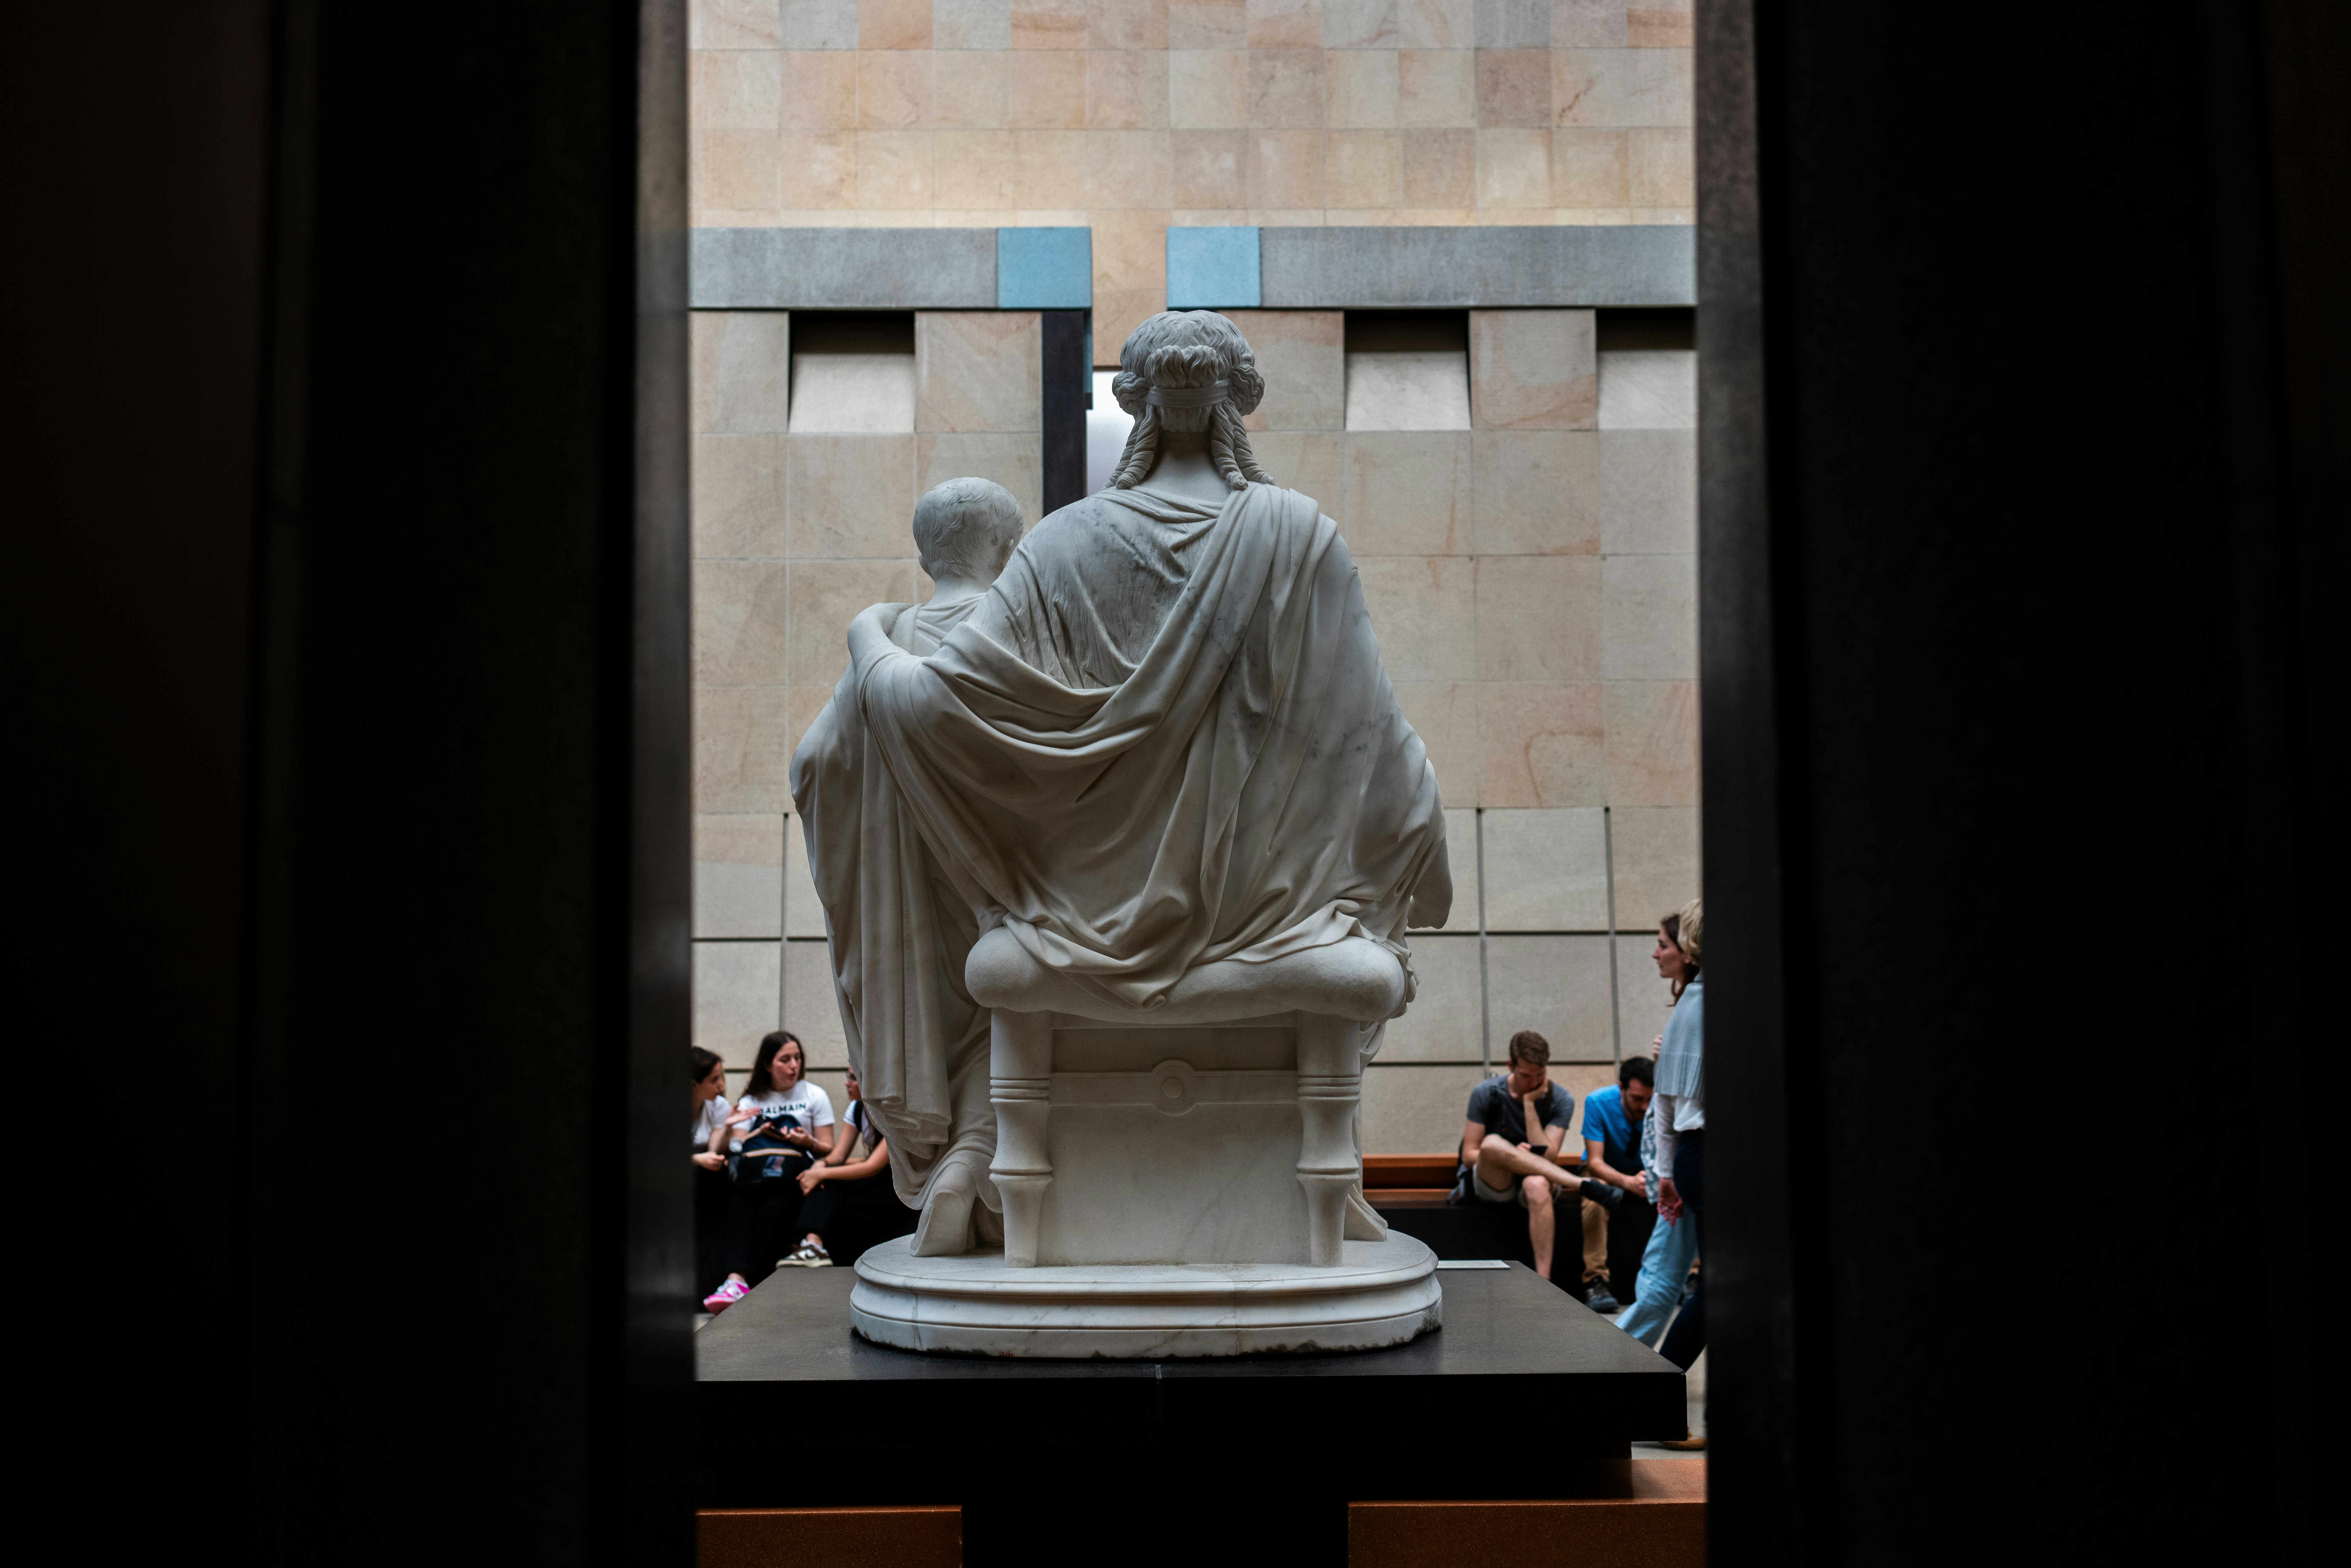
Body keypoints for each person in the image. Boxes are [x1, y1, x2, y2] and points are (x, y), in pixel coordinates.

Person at [791, 310, 1452, 1257]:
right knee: (1359, 910)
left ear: (1136, 403)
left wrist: (868, 632)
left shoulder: (1063, 544)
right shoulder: (1300, 537)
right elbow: (1378, 748)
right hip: (1268, 912)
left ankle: (1002, 1178)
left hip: (1083, 914)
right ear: (1235, 402)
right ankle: (1314, 1180)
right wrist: (1405, 847)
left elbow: (939, 710)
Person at [1462, 1030, 1617, 1283]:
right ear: (1511, 1065)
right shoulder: (1486, 1093)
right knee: (1491, 1144)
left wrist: (1530, 1104)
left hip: (1538, 1180)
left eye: (1540, 1075)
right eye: (1526, 1076)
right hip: (1496, 1181)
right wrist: (1510, 1155)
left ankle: (1543, 1282)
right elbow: (1470, 1155)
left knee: (1537, 1184)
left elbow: (1549, 1155)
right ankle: (1581, 1184)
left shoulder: (1561, 1099)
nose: (1534, 1083)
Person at [702, 1031, 836, 1313]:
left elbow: (829, 1149)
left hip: (794, 1180)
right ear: (767, 1064)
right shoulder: (753, 1100)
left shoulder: (814, 1095)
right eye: (784, 1060)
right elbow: (737, 1148)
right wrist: (748, 1129)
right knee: (738, 1202)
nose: (793, 1066)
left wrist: (806, 1142)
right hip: (756, 1179)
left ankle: (750, 1287)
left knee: (773, 1209)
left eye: (797, 1058)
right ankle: (735, 1282)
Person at [1652, 901, 1708, 1385]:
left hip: (1693, 1157)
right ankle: (1657, 1392)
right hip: (1711, 1154)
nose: (1655, 953)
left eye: (1662, 943)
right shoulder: (1708, 1000)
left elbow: (1666, 1107)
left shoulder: (1688, 1003)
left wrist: (1668, 1172)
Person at [777, 1068, 894, 1268]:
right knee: (826, 1181)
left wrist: (822, 1173)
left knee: (829, 1181)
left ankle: (812, 1244)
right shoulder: (857, 1109)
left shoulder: (893, 1114)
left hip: (896, 1186)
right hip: (875, 1178)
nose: (847, 1083)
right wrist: (821, 1165)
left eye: (853, 1078)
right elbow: (838, 1156)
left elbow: (872, 1167)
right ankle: (813, 1244)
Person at [1577, 1055, 1656, 1314]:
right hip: (1608, 1173)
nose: (1645, 1107)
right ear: (1621, 1089)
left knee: (1686, 1191)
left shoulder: (1660, 1104)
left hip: (1648, 1172)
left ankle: (1692, 1277)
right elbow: (1596, 1162)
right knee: (1595, 1196)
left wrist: (1655, 1176)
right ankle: (1596, 1282)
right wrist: (1628, 1182)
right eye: (1637, 1099)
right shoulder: (1598, 1102)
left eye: (1649, 1099)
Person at [689, 1047, 745, 1298]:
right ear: (693, 1084)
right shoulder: (665, 1107)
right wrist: (696, 1159)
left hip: (703, 1179)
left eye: (722, 1077)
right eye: (715, 1080)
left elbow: (714, 1152)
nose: (722, 1085)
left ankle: (715, 1284)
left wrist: (727, 1127)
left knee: (720, 1181)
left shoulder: (718, 1106)